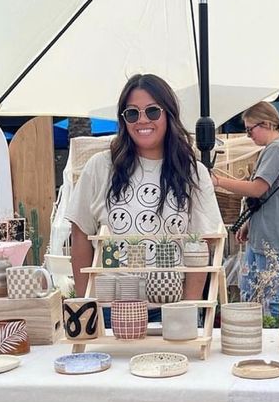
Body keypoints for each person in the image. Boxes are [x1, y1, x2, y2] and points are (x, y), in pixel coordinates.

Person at [66, 73, 222, 299]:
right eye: (132, 113)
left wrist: (188, 308)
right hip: (110, 306)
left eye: (152, 111)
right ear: (123, 119)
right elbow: (80, 233)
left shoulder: (193, 172)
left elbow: (203, 243)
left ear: (168, 114)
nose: (142, 120)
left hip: (170, 306)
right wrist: (85, 305)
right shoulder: (100, 167)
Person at [212, 101, 279, 320]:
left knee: (271, 297)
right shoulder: (275, 148)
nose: (248, 135)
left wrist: (218, 181)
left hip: (274, 236)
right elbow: (265, 197)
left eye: (250, 129)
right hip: (266, 234)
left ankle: (274, 342)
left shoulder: (278, 149)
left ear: (266, 124)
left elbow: (258, 189)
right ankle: (258, 338)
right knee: (252, 293)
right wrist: (248, 223)